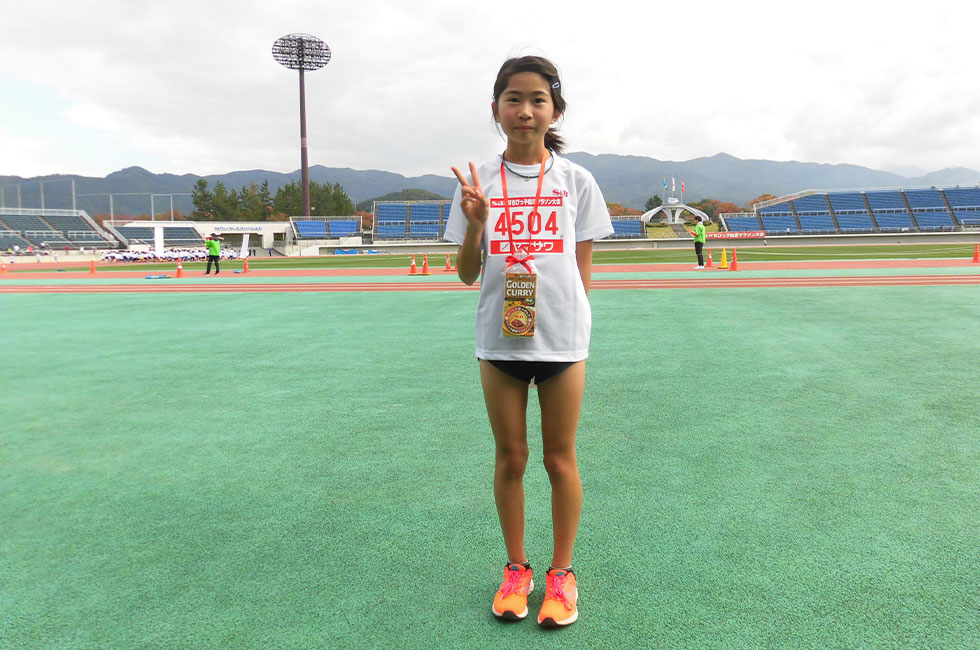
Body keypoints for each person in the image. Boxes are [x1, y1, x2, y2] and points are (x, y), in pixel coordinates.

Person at [445, 55, 613, 628]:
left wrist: (575, 322)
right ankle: (517, 569)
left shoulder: (577, 180)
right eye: (513, 98)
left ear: (555, 110)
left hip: (563, 340)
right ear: (496, 109)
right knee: (511, 458)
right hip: (499, 341)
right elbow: (468, 274)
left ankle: (561, 577)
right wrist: (474, 223)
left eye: (538, 99)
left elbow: (582, 266)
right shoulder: (477, 182)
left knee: (559, 459)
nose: (525, 110)